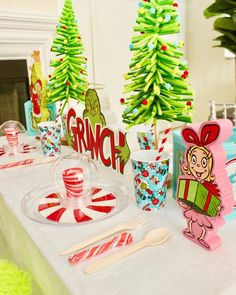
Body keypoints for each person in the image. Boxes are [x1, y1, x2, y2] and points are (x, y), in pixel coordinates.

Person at [178, 124, 221, 249]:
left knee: (202, 224)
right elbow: (183, 197)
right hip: (193, 209)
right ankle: (192, 233)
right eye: (194, 161)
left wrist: (215, 207)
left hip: (204, 211)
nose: (197, 167)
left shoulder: (210, 186)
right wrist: (184, 202)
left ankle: (203, 237)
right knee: (192, 221)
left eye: (203, 163)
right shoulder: (189, 182)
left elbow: (215, 199)